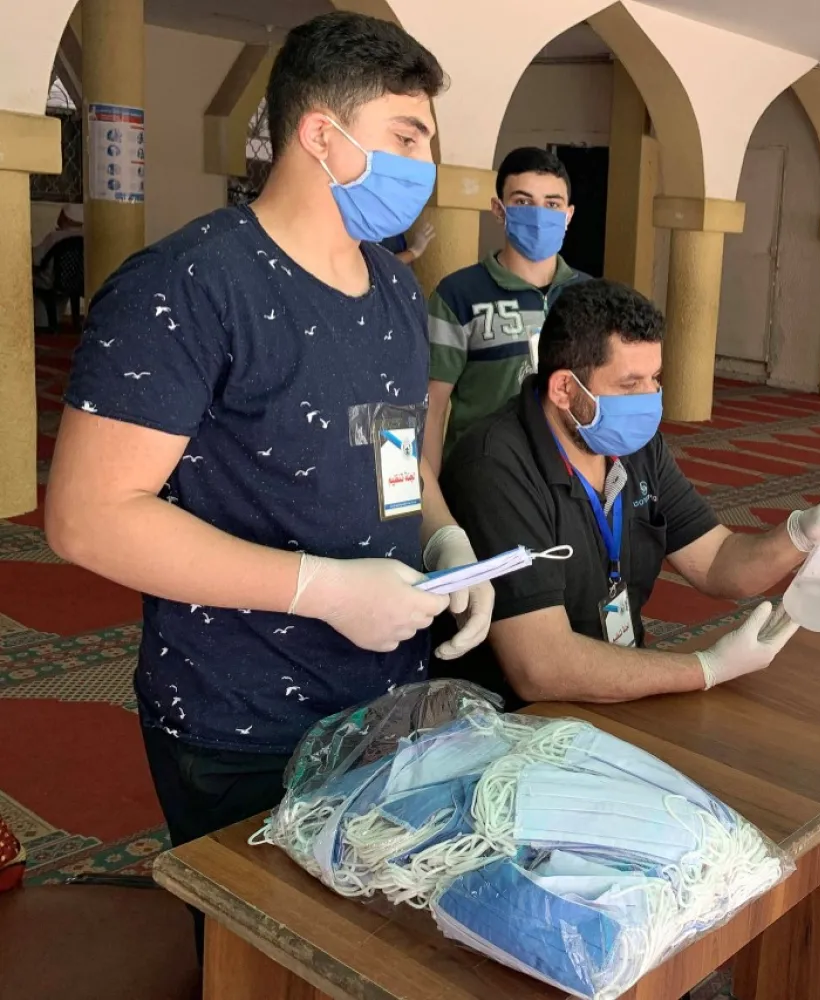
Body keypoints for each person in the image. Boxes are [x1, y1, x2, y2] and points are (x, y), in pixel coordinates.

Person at [45, 11, 496, 952]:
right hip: (240, 717)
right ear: (321, 134)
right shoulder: (188, 286)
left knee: (373, 945)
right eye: (406, 137)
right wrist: (319, 589)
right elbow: (88, 520)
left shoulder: (394, 291)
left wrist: (445, 542)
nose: (425, 164)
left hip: (384, 696)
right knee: (263, 960)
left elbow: (397, 458)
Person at [436, 278, 820, 706]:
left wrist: (803, 533)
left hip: (617, 695)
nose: (650, 399)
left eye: (654, 378)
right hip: (516, 721)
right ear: (562, 389)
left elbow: (716, 562)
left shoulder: (634, 445)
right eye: (630, 384)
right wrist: (706, 668)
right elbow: (540, 666)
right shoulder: (495, 466)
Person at [424, 146, 591, 474]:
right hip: (483, 478)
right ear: (499, 210)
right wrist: (433, 501)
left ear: (568, 215)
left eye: (552, 204)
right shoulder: (457, 295)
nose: (540, 214)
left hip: (568, 478)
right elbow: (432, 407)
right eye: (524, 202)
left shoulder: (590, 296)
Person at [33, 204, 84, 272]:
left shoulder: (54, 237)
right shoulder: (88, 239)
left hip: (51, 281)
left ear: (67, 218)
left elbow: (34, 258)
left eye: (61, 213)